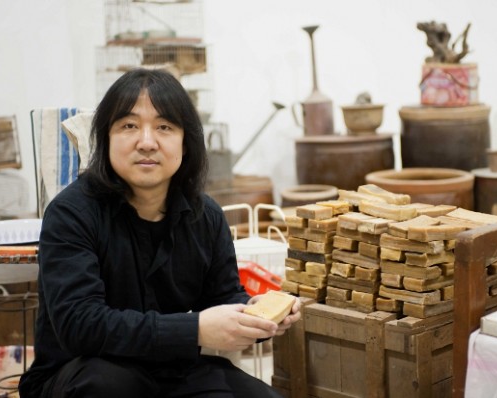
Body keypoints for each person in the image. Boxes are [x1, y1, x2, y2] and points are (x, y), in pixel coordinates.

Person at [19, 68, 301, 398]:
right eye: (129, 126)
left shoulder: (206, 215)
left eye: (164, 127)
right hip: (83, 371)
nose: (147, 142)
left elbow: (225, 299)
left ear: (186, 142)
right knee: (109, 387)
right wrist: (194, 330)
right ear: (106, 138)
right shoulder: (71, 214)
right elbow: (80, 325)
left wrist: (258, 316)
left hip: (176, 370)